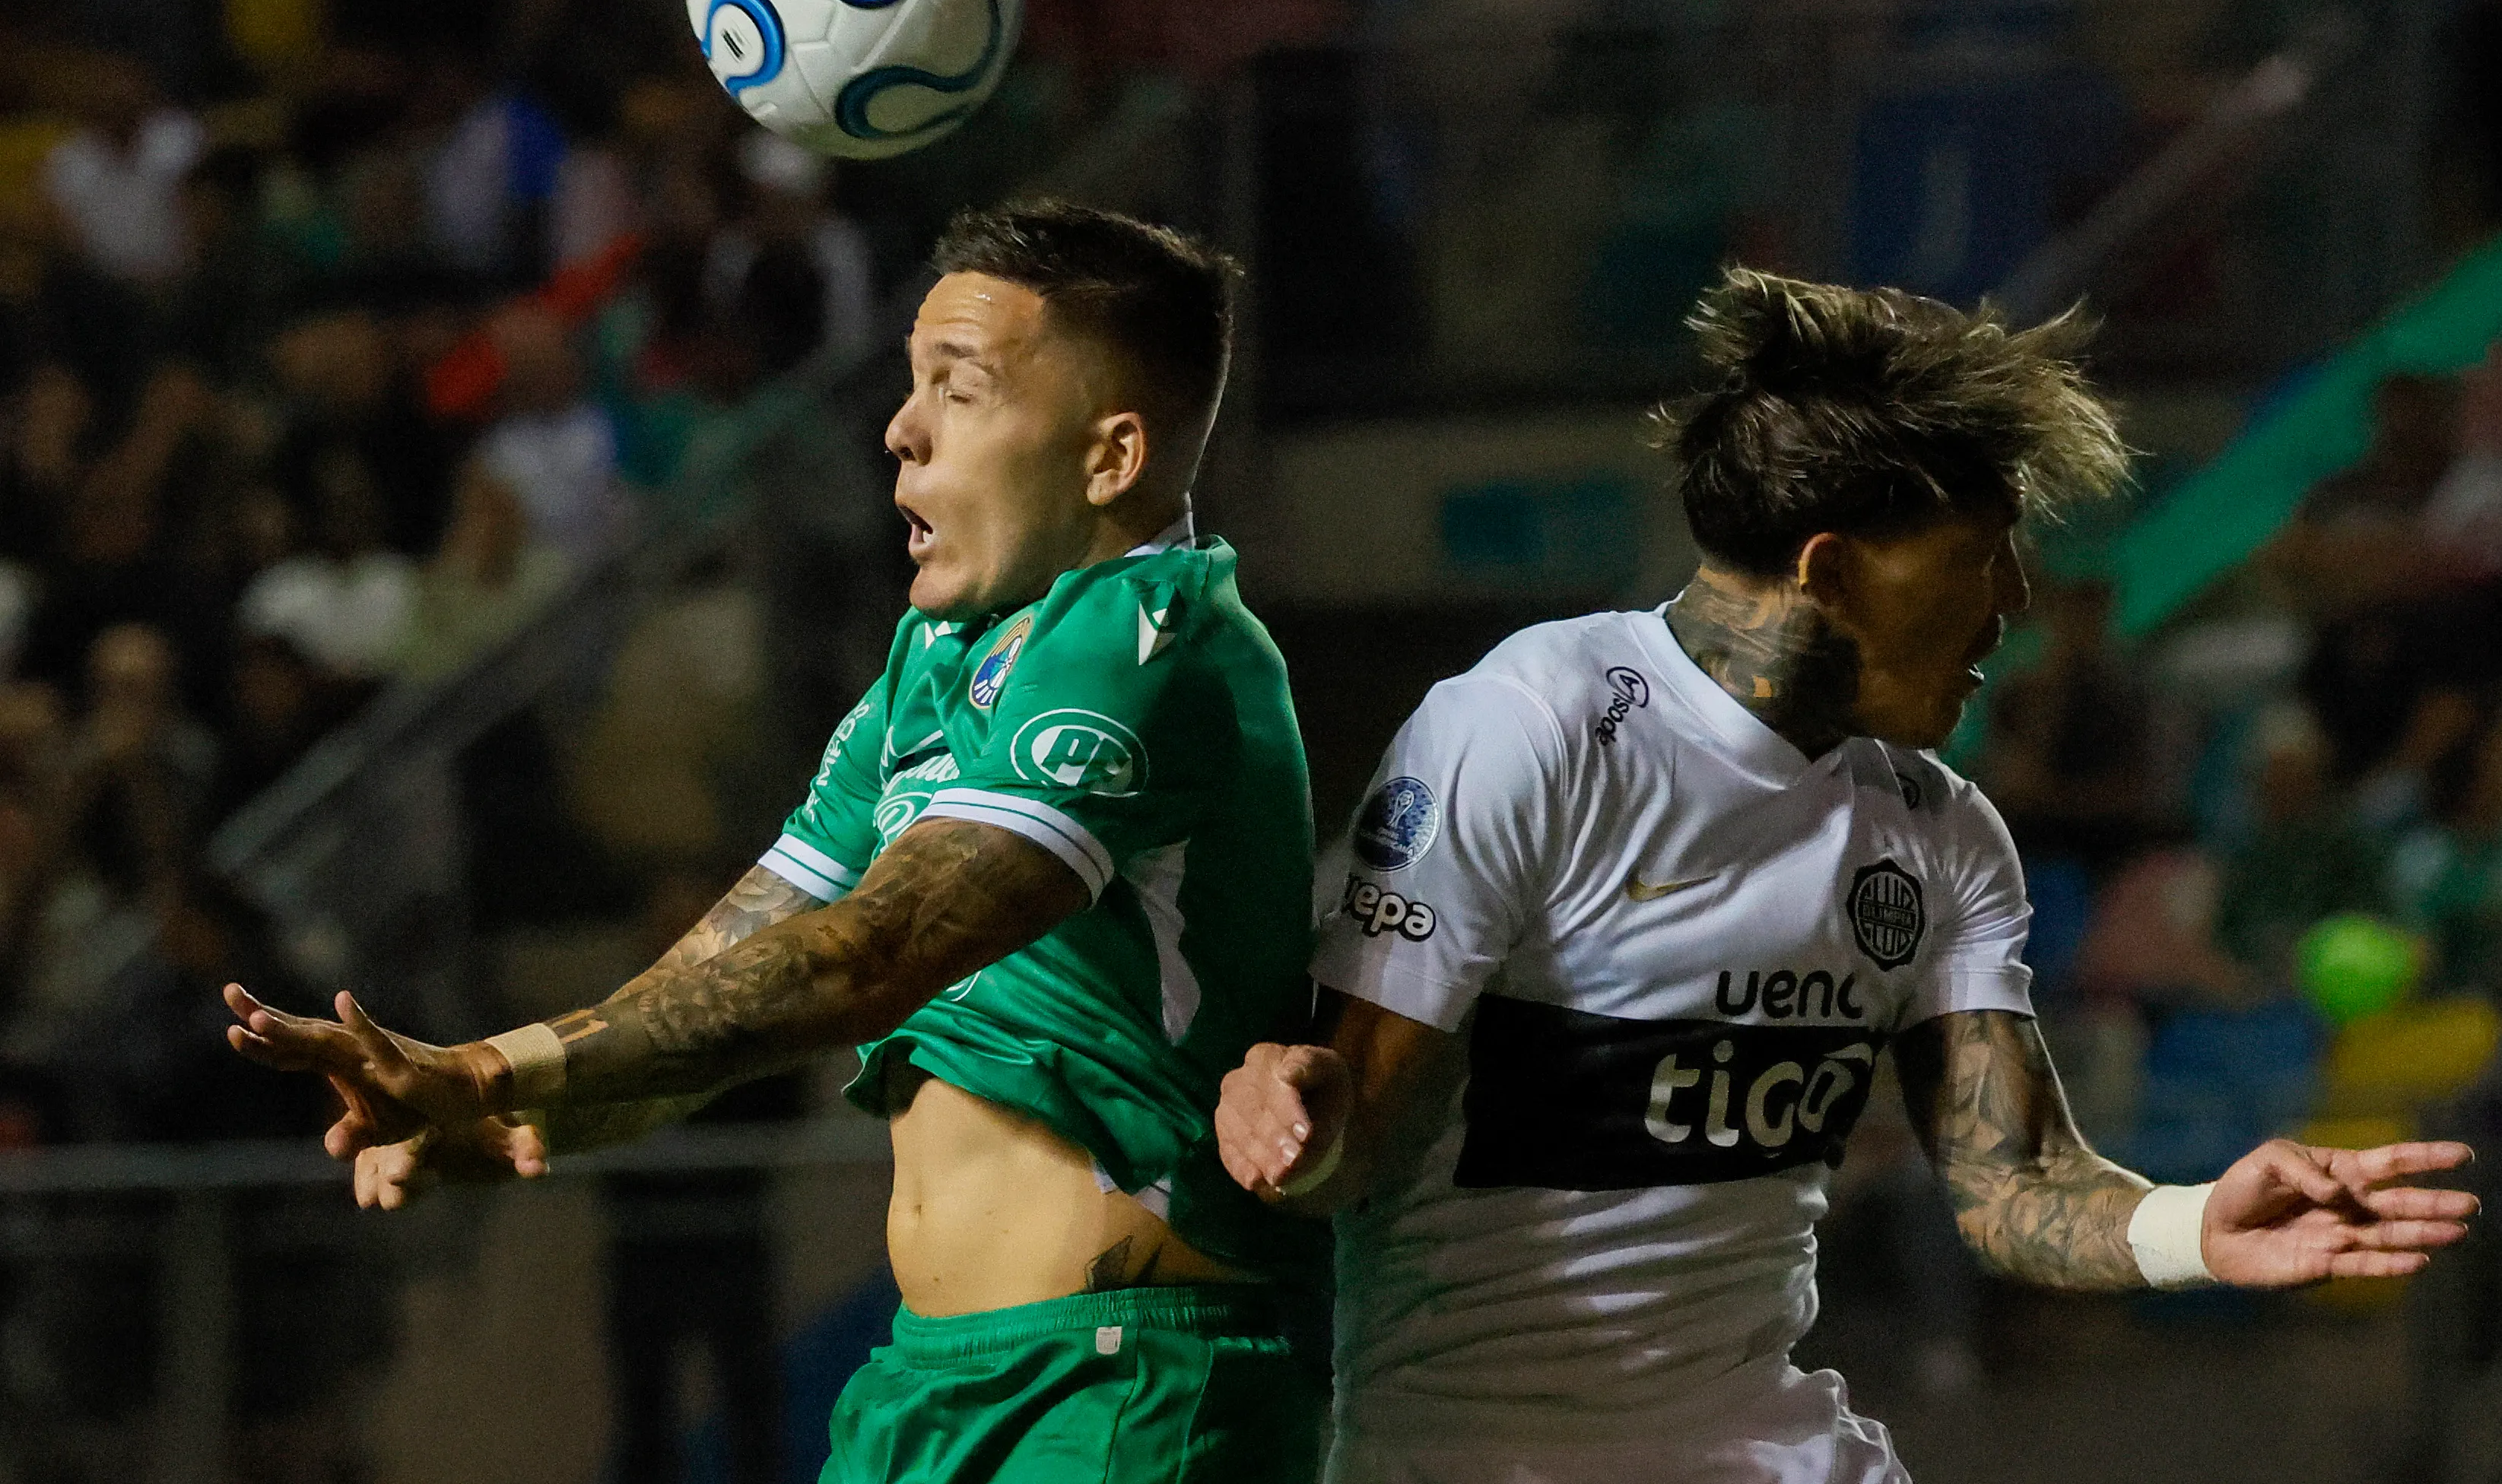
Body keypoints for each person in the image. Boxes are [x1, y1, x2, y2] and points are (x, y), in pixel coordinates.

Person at [1214, 268, 2481, 1484]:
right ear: (1827, 571)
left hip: (1765, 1445)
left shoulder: (1935, 830)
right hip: (1474, 1455)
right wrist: (1286, 1107)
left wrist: (2188, 1227)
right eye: (1979, 558)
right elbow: (1345, 1141)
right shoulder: (1534, 729)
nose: (2013, 605)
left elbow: (2014, 1186)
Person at [225, 202, 1329, 1483]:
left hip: (1119, 1387)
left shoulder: (1153, 644)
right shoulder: (940, 657)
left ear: (1110, 456)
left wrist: (489, 1065)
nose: (899, 428)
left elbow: (869, 952)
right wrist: (532, 1109)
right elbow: (727, 969)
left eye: (956, 392)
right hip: (930, 1387)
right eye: (911, 384)